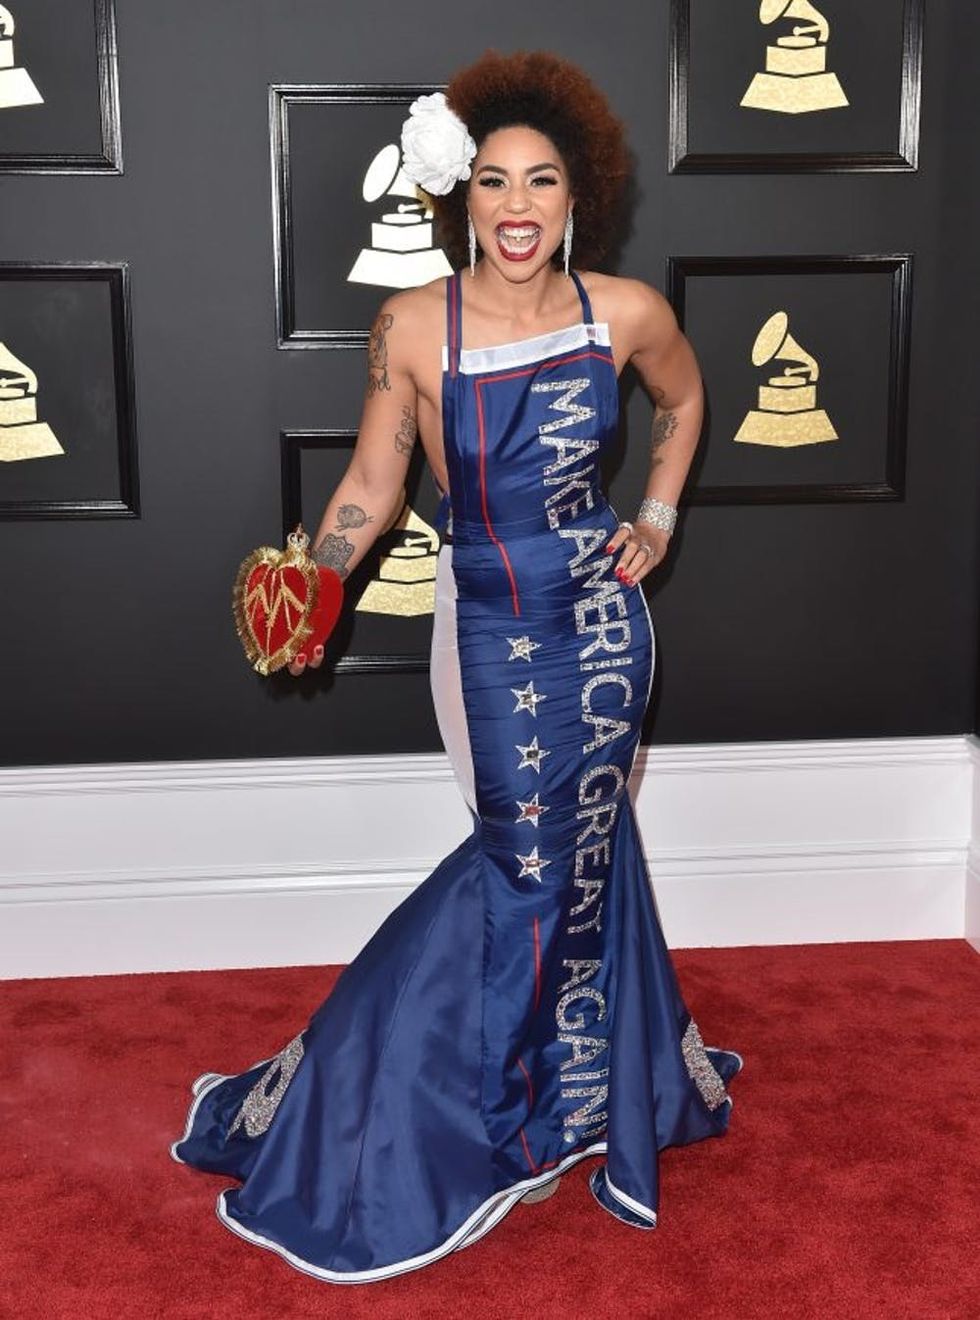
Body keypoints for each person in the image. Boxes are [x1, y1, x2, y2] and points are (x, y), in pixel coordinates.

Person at [171, 48, 742, 1285]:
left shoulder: (626, 313)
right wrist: (318, 575)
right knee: (523, 865)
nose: (517, 205)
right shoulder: (408, 328)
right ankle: (458, 1102)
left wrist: (653, 519)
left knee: (581, 857)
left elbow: (687, 406)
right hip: (482, 629)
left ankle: (571, 1084)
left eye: (540, 180)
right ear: (461, 199)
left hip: (601, 636)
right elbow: (374, 488)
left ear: (575, 192)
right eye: (491, 182)